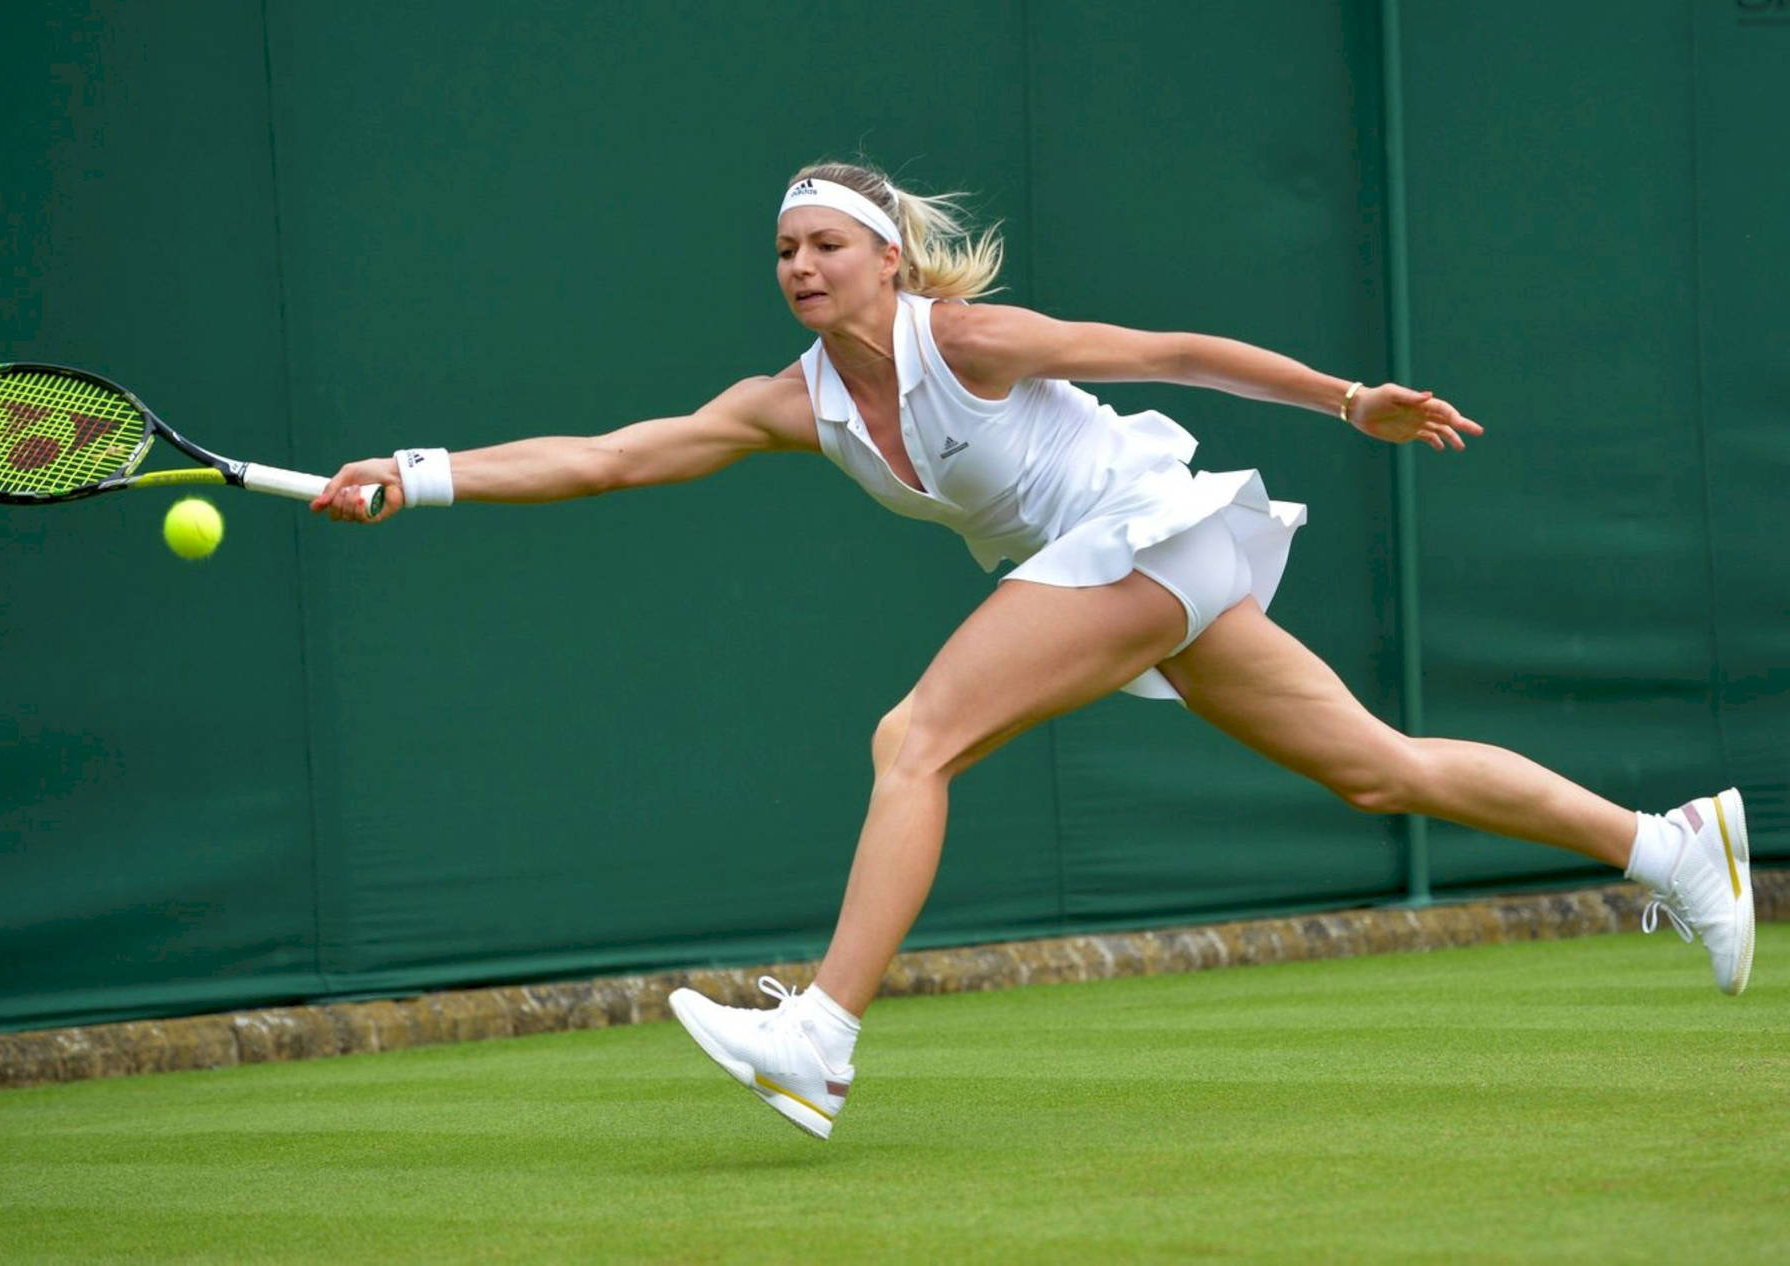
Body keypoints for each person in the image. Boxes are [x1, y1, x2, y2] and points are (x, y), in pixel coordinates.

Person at [313, 160, 1754, 1140]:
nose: (800, 267)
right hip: (1118, 572)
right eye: (783, 251)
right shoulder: (790, 400)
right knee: (1377, 771)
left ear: (888, 258)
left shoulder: (974, 338)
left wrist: (1346, 398)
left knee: (913, 737)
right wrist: (421, 470)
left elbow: (1174, 351)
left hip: (1142, 531)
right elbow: (610, 456)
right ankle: (1673, 842)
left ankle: (821, 1032)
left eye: (825, 245)